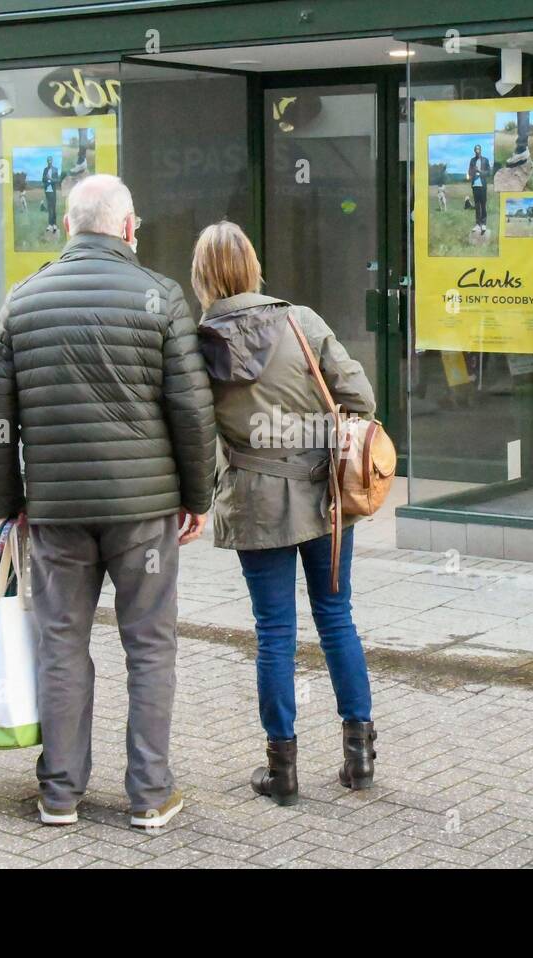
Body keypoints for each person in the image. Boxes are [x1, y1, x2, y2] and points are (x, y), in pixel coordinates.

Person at [0, 174, 216, 830]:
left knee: (60, 643)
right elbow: (191, 410)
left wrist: (10, 502)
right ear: (130, 228)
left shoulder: (22, 302)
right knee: (150, 645)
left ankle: (59, 793)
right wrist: (199, 497)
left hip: (56, 514)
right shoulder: (161, 297)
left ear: (66, 229)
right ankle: (149, 794)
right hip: (144, 513)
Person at [191, 221, 377, 808]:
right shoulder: (302, 321)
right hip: (325, 501)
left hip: (252, 500)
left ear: (202, 276)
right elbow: (362, 402)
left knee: (275, 633)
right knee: (335, 617)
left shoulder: (197, 344)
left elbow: (193, 432)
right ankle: (360, 757)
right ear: (252, 265)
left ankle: (283, 770)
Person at [467, 144, 491, 233]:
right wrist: (472, 172)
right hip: (475, 186)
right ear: (474, 151)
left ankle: (483, 224)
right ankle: (477, 224)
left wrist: (480, 171)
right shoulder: (472, 160)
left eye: (478, 149)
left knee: (483, 205)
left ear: (481, 150)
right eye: (476, 149)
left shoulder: (485, 160)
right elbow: (469, 171)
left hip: (483, 186)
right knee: (477, 206)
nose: (477, 151)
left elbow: (489, 172)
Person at [41, 156, 59, 235]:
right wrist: (46, 178)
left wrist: (50, 179)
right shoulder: (45, 170)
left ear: (52, 161)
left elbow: (57, 180)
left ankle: (54, 225)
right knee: (49, 208)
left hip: (53, 191)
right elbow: (43, 179)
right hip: (47, 191)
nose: (49, 162)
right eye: (48, 160)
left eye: (50, 160)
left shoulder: (55, 169)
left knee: (53, 207)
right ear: (47, 161)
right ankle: (50, 225)